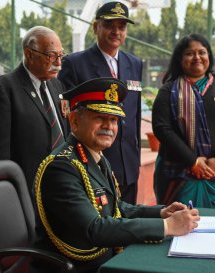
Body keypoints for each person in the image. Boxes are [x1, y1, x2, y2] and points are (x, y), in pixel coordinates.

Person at [33, 77, 200, 273]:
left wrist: (161, 213)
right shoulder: (62, 167)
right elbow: (95, 228)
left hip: (105, 257)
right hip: (78, 267)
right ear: (75, 121)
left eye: (113, 120)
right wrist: (166, 226)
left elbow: (116, 207)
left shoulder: (93, 156)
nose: (109, 126)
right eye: (99, 118)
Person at [58, 1, 142, 204]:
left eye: (121, 27)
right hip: (92, 163)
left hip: (128, 164)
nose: (116, 31)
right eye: (109, 25)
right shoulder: (75, 63)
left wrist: (135, 158)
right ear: (96, 27)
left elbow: (135, 116)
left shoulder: (135, 64)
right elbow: (67, 117)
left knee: (129, 225)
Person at [152, 34, 215, 209]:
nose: (197, 58)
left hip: (213, 172)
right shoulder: (168, 91)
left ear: (209, 56)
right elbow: (162, 129)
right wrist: (192, 161)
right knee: (177, 223)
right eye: (189, 53)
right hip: (177, 171)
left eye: (202, 52)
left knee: (214, 223)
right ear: (180, 58)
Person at [0, 26, 69, 192]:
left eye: (60, 56)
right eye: (51, 56)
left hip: (62, 188)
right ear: (29, 54)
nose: (58, 63)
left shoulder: (58, 86)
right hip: (27, 192)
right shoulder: (3, 88)